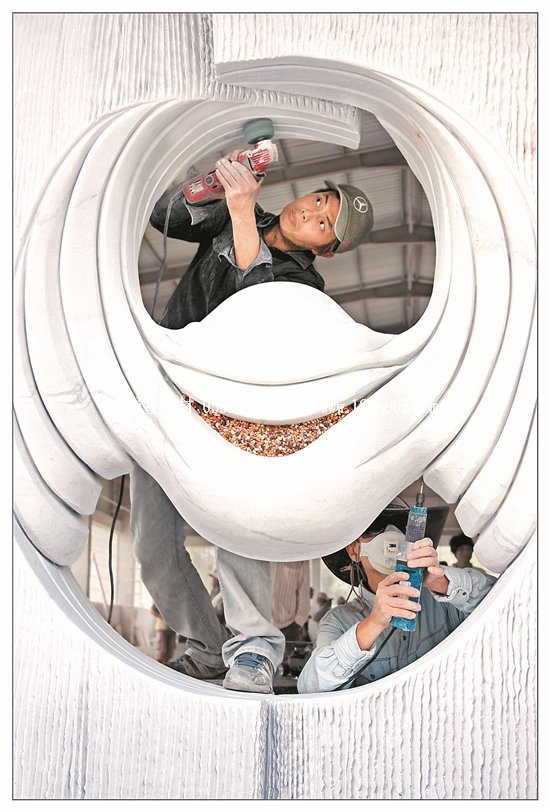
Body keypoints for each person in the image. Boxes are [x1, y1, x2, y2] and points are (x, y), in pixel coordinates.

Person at [131, 147, 374, 693]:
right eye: (320, 200)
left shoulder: (304, 287)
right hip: (168, 393)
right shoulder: (240, 215)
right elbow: (165, 218)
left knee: (235, 523)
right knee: (151, 546)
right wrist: (213, 185)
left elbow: (260, 301)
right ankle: (205, 646)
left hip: (235, 415)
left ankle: (254, 649)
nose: (311, 211)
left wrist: (241, 211)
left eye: (324, 223)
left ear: (326, 250)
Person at [297, 507, 496, 693]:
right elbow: (310, 687)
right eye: (374, 528)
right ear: (354, 551)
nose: (390, 535)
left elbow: (500, 603)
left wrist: (442, 582)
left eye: (403, 528)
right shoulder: (338, 621)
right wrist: (372, 624)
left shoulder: (443, 604)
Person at [271, 560, 311, 641]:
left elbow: (304, 591)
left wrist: (298, 622)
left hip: (288, 627)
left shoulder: (300, 558)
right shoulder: (259, 554)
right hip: (259, 623)